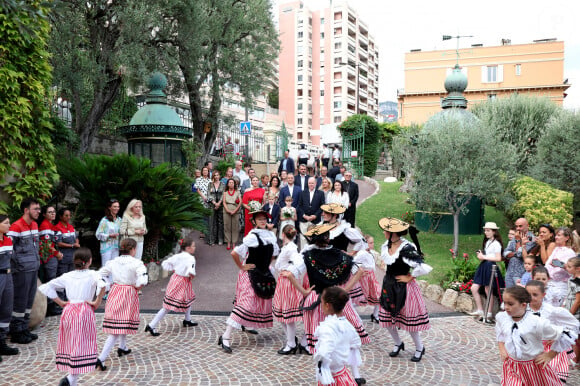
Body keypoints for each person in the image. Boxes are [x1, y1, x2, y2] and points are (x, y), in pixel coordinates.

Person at [280, 223, 369, 366]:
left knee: (318, 326)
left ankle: (310, 346)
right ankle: (323, 348)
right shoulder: (339, 254)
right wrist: (345, 290)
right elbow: (358, 271)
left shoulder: (307, 256)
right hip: (334, 296)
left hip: (316, 298)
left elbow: (291, 274)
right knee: (336, 327)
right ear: (328, 238)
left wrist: (304, 292)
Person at [218, 201, 280, 353]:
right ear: (254, 221)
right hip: (250, 274)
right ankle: (225, 336)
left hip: (264, 273)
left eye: (264, 219)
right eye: (260, 219)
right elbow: (234, 253)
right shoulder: (251, 237)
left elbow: (274, 255)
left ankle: (246, 324)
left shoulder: (271, 236)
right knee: (246, 303)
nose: (263, 221)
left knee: (258, 301)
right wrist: (241, 266)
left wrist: (266, 266)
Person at [38, 248, 106, 386]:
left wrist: (61, 303)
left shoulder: (67, 276)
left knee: (72, 343)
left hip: (68, 311)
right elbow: (103, 285)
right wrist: (97, 302)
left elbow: (46, 287)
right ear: (89, 261)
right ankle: (70, 379)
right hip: (83, 310)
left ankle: (71, 379)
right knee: (80, 345)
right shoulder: (93, 274)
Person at [496, 286, 577, 386]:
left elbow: (566, 334)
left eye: (511, 304)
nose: (506, 307)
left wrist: (550, 355)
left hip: (534, 367)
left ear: (523, 305)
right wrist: (502, 349)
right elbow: (501, 333)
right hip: (512, 366)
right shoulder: (502, 317)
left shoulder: (536, 322)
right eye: (505, 303)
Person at [377, 217, 432, 362]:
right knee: (387, 318)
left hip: (404, 288)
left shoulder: (407, 248)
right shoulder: (386, 245)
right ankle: (398, 343)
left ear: (392, 233)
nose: (383, 232)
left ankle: (419, 347)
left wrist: (410, 277)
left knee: (409, 321)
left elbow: (421, 266)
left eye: (386, 230)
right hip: (389, 285)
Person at [96, 238, 148, 370]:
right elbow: (143, 279)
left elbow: (100, 274)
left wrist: (106, 286)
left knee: (121, 322)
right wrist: (137, 287)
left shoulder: (113, 262)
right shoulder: (137, 263)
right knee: (116, 329)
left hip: (115, 292)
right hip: (128, 294)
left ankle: (122, 347)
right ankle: (100, 358)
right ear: (132, 249)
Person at [525, 279, 580, 382]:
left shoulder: (551, 311)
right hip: (528, 349)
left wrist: (558, 337)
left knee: (550, 378)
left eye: (535, 295)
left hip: (549, 349)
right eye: (528, 294)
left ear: (543, 295)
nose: (531, 298)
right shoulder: (522, 309)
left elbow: (574, 325)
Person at [145, 234, 198, 336]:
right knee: (168, 306)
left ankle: (187, 319)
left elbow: (165, 263)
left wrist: (174, 269)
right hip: (183, 281)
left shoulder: (177, 256)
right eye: (194, 246)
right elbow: (191, 272)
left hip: (175, 279)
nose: (195, 248)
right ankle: (151, 325)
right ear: (188, 248)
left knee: (188, 298)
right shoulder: (191, 259)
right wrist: (190, 276)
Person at [7, 198, 41, 344]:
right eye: (35, 209)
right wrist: (18, 265)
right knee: (20, 301)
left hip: (33, 268)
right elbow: (9, 248)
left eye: (39, 209)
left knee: (29, 300)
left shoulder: (34, 224)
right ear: (26, 210)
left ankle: (24, 328)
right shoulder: (16, 226)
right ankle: (16, 331)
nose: (39, 212)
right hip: (21, 271)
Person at [313, 286, 362, 386]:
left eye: (321, 302)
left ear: (327, 305)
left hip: (332, 377)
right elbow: (356, 343)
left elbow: (324, 352)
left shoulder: (327, 328)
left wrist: (322, 366)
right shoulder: (347, 325)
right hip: (344, 374)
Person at [272, 225, 302, 355]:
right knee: (281, 314)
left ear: (283, 235)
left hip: (287, 282)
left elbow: (298, 262)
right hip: (282, 281)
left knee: (287, 315)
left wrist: (290, 271)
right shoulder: (288, 247)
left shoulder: (291, 248)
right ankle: (291, 340)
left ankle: (291, 344)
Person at [469, 222, 505, 322]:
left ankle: (488, 314)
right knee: (474, 288)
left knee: (488, 290)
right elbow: (490, 255)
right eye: (485, 230)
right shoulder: (488, 242)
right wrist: (482, 255)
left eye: (488, 230)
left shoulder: (496, 244)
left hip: (490, 266)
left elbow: (498, 258)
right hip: (485, 265)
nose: (486, 232)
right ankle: (480, 310)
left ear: (494, 231)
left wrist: (483, 256)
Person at [37, 206, 63, 316]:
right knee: (50, 282)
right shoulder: (45, 225)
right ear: (44, 214)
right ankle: (50, 308)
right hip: (48, 257)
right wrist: (57, 254)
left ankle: (51, 306)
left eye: (54, 212)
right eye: (50, 212)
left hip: (51, 257)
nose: (53, 214)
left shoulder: (50, 225)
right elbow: (46, 245)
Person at [0, 214, 19, 358]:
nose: (9, 225)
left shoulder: (8, 240)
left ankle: (2, 342)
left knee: (7, 308)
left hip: (8, 276)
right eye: (6, 223)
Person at [544, 227, 576, 306]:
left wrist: (559, 264)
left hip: (560, 286)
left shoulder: (570, 252)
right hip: (549, 284)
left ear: (567, 238)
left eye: (559, 235)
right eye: (556, 235)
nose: (556, 237)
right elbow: (548, 264)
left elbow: (572, 270)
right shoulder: (556, 249)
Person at [504, 217, 536, 288]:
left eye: (520, 226)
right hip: (509, 273)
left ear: (527, 226)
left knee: (518, 296)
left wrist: (518, 241)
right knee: (509, 296)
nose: (518, 228)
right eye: (516, 226)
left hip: (521, 274)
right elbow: (505, 253)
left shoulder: (531, 239)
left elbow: (520, 255)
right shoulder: (516, 236)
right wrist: (515, 253)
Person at [297, 177, 326, 248]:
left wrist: (315, 215)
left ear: (315, 184)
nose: (311, 184)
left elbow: (322, 206)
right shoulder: (302, 193)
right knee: (303, 237)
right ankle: (304, 254)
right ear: (308, 183)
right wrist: (304, 215)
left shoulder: (321, 193)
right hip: (304, 219)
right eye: (309, 183)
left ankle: (313, 253)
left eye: (312, 183)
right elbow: (299, 206)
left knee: (315, 238)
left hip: (315, 220)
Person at [54, 208, 79, 279]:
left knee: (72, 277)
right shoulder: (57, 228)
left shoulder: (71, 227)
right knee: (63, 277)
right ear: (60, 217)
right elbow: (59, 243)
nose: (69, 217)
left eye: (69, 216)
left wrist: (77, 243)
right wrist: (72, 245)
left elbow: (76, 237)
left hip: (73, 257)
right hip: (63, 258)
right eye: (66, 215)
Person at [96, 199, 122, 267]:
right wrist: (109, 235)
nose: (117, 208)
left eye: (118, 207)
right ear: (109, 207)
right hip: (106, 248)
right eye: (114, 206)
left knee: (114, 268)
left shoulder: (120, 220)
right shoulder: (105, 220)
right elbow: (98, 234)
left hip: (116, 247)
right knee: (106, 268)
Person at [564, 257, 580, 368]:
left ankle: (575, 359)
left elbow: (578, 301)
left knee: (576, 337)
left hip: (576, 313)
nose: (567, 268)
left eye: (569, 267)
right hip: (569, 308)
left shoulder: (578, 282)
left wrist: (570, 313)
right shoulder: (571, 279)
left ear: (578, 268)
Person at [222, 178, 242, 250]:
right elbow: (223, 202)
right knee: (227, 226)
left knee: (235, 226)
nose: (231, 184)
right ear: (227, 184)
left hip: (235, 210)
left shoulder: (237, 192)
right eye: (229, 182)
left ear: (234, 184)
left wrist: (235, 210)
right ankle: (228, 242)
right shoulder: (225, 192)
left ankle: (234, 242)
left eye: (232, 183)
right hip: (226, 210)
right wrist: (227, 210)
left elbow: (240, 202)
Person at [194, 166, 212, 240]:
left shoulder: (210, 180)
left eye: (206, 170)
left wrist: (207, 197)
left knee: (207, 217)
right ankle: (201, 232)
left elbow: (211, 189)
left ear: (208, 172)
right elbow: (197, 190)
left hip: (208, 200)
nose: (205, 172)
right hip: (201, 200)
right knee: (201, 216)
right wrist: (203, 196)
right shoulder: (198, 179)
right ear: (202, 172)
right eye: (204, 170)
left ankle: (207, 232)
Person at [208, 171, 225, 246]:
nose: (216, 176)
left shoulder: (223, 184)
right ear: (213, 176)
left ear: (219, 176)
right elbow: (208, 194)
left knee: (220, 223)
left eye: (217, 175)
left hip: (221, 205)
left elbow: (224, 194)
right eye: (215, 175)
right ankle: (212, 240)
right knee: (212, 222)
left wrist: (219, 203)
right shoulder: (210, 184)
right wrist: (215, 203)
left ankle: (220, 239)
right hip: (212, 205)